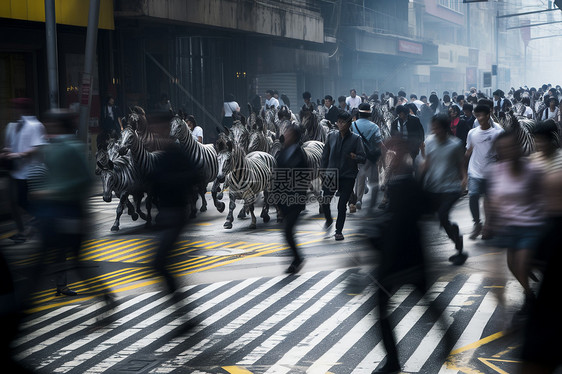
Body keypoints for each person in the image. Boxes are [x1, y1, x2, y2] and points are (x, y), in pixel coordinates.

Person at [486, 131, 544, 323]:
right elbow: (492, 198)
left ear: (518, 147)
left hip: (531, 224)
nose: (508, 151)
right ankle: (529, 295)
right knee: (513, 266)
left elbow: (542, 195)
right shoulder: (496, 171)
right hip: (508, 227)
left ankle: (531, 297)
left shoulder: (532, 169)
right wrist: (489, 223)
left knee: (521, 263)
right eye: (502, 149)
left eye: (511, 146)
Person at [421, 114, 467, 265]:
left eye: (438, 128)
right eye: (433, 127)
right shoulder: (429, 142)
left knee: (442, 215)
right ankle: (456, 238)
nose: (435, 130)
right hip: (433, 187)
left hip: (451, 188)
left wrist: (464, 182)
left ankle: (459, 246)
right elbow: (427, 163)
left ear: (445, 128)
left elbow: (461, 166)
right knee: (439, 219)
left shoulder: (455, 144)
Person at [1, 98, 46, 243]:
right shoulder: (11, 126)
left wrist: (18, 154)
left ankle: (42, 220)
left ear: (23, 109)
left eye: (16, 108)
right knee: (13, 203)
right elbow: (9, 145)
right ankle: (22, 232)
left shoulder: (35, 125)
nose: (13, 111)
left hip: (30, 172)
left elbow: (38, 147)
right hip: (14, 171)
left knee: (24, 202)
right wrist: (6, 153)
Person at [321, 110, 366, 241]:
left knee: (341, 206)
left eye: (342, 122)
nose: (339, 124)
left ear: (349, 123)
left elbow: (363, 158)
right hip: (331, 174)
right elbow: (325, 155)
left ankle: (338, 231)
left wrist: (355, 157)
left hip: (348, 176)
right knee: (325, 202)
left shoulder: (356, 139)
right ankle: (328, 219)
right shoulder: (331, 136)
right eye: (338, 122)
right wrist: (322, 171)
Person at [465, 104, 504, 240]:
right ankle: (477, 223)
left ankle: (488, 226)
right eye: (477, 116)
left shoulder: (497, 133)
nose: (479, 118)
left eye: (481, 115)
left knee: (489, 200)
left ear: (488, 116)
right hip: (474, 171)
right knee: (473, 195)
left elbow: (502, 154)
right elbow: (468, 151)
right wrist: (463, 171)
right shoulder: (472, 133)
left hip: (491, 173)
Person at [274, 123, 307, 273]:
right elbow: (277, 178)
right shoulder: (281, 153)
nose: (284, 136)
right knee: (287, 232)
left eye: (287, 134)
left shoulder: (300, 155)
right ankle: (296, 258)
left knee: (288, 231)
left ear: (294, 137)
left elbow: (302, 180)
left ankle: (297, 259)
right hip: (283, 200)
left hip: (295, 200)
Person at [350, 103, 382, 212]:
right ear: (369, 115)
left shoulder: (352, 125)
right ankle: (372, 205)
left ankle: (358, 199)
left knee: (359, 178)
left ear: (359, 113)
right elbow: (379, 143)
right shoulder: (375, 127)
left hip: (356, 157)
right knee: (374, 180)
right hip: (370, 158)